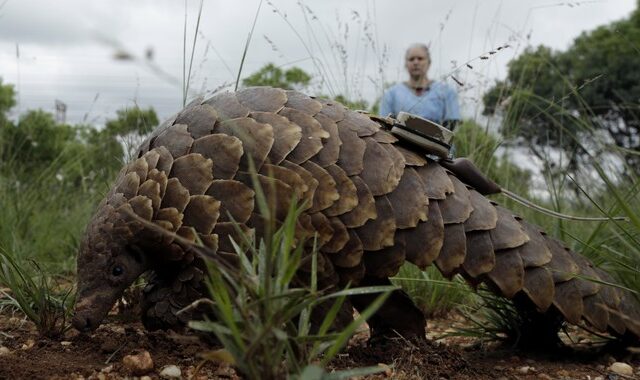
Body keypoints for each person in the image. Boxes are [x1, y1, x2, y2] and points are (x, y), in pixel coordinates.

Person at [380, 43, 461, 131]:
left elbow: (452, 126)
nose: (416, 62)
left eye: (420, 58)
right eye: (411, 59)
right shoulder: (391, 94)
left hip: (437, 143)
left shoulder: (446, 91)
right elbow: (384, 125)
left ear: (429, 62)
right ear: (406, 64)